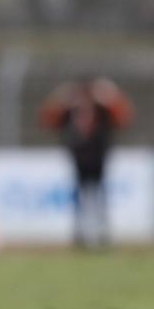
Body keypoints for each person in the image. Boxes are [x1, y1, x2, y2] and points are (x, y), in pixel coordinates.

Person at [40, 78, 134, 248]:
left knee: (99, 199)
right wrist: (60, 100)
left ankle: (102, 234)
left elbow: (124, 118)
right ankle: (81, 235)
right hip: (79, 161)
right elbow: (48, 120)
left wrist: (111, 97)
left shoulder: (102, 111)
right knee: (80, 199)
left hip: (99, 160)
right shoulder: (70, 112)